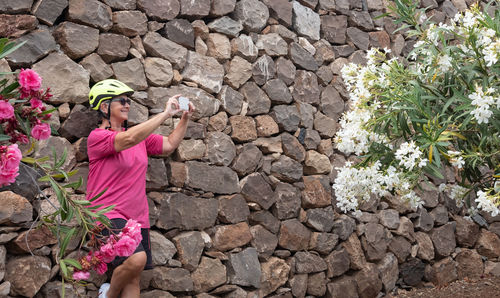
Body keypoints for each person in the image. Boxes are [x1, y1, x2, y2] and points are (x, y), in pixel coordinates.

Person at [85, 79, 195, 298]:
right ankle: (107, 295)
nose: (127, 104)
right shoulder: (98, 137)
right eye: (122, 101)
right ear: (105, 106)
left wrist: (184, 118)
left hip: (137, 219)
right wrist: (165, 114)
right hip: (107, 215)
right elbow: (128, 138)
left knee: (133, 278)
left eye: (128, 101)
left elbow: (170, 144)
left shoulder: (140, 139)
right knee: (137, 259)